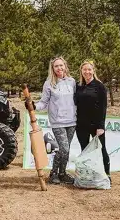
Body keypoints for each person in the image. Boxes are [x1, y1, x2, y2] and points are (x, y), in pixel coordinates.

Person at [26, 56, 76, 185]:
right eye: (56, 66)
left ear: (65, 66)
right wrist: (34, 106)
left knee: (66, 149)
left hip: (72, 121)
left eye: (61, 65)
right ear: (52, 69)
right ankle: (54, 173)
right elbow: (44, 102)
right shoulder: (49, 84)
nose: (59, 68)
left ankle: (62, 173)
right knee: (64, 148)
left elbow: (76, 100)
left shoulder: (72, 82)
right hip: (58, 121)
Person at [74, 60, 111, 184]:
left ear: (93, 71)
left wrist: (101, 126)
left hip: (96, 126)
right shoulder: (78, 86)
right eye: (85, 69)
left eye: (89, 69)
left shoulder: (100, 86)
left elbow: (103, 107)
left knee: (102, 150)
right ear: (81, 71)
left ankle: (107, 174)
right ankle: (88, 176)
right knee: (85, 151)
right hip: (81, 125)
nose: (87, 72)